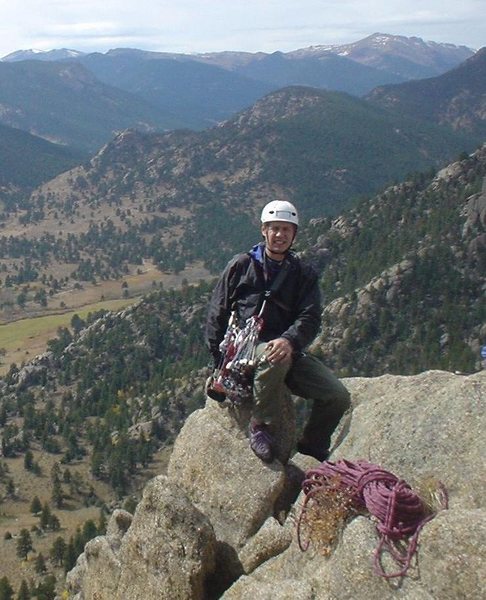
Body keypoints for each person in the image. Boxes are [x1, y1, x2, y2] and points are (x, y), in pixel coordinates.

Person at [205, 200, 350, 463]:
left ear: (294, 234)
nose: (280, 235)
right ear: (264, 230)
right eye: (274, 228)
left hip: (284, 347)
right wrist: (218, 362)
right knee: (276, 356)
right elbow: (218, 310)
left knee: (336, 396)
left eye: (286, 229)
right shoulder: (241, 266)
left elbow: (310, 317)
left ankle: (312, 444)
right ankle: (261, 425)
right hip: (245, 347)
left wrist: (289, 340)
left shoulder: (302, 275)